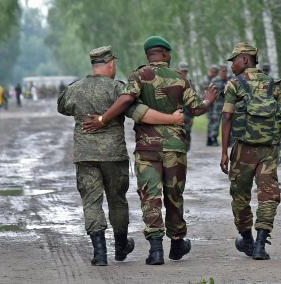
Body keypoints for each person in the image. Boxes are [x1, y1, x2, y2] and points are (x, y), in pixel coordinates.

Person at [83, 36, 218, 265]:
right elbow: (196, 110)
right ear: (166, 54)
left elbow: (126, 99)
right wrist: (209, 100)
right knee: (174, 195)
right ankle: (176, 245)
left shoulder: (139, 76)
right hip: (174, 148)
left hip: (147, 148)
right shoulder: (179, 78)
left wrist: (103, 119)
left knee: (150, 196)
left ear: (149, 55)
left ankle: (156, 251)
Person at [57, 46, 184, 266]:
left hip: (85, 156)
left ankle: (99, 254)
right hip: (114, 156)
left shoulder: (74, 89)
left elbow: (62, 107)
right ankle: (121, 247)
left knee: (91, 202)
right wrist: (171, 118)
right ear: (111, 64)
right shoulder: (118, 89)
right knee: (117, 201)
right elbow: (141, 114)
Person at [220, 42, 281, 260]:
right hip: (268, 149)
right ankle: (260, 244)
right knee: (268, 194)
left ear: (246, 59)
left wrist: (224, 152)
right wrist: (274, 144)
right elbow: (280, 118)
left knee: (240, 194)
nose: (231, 65)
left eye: (235, 60)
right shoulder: (273, 84)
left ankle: (247, 239)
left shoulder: (234, 85)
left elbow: (227, 117)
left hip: (243, 150)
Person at [208, 64, 230, 146]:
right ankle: (213, 138)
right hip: (217, 105)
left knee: (227, 122)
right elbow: (211, 92)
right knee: (215, 122)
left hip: (227, 105)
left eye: (225, 71)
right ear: (220, 71)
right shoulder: (215, 80)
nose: (224, 73)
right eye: (223, 71)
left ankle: (228, 140)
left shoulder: (229, 80)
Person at [178, 62, 194, 152]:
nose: (184, 73)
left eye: (185, 71)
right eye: (182, 71)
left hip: (187, 115)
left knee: (187, 134)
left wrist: (192, 117)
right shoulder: (173, 82)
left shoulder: (190, 83)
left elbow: (193, 102)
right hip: (176, 114)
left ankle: (185, 154)